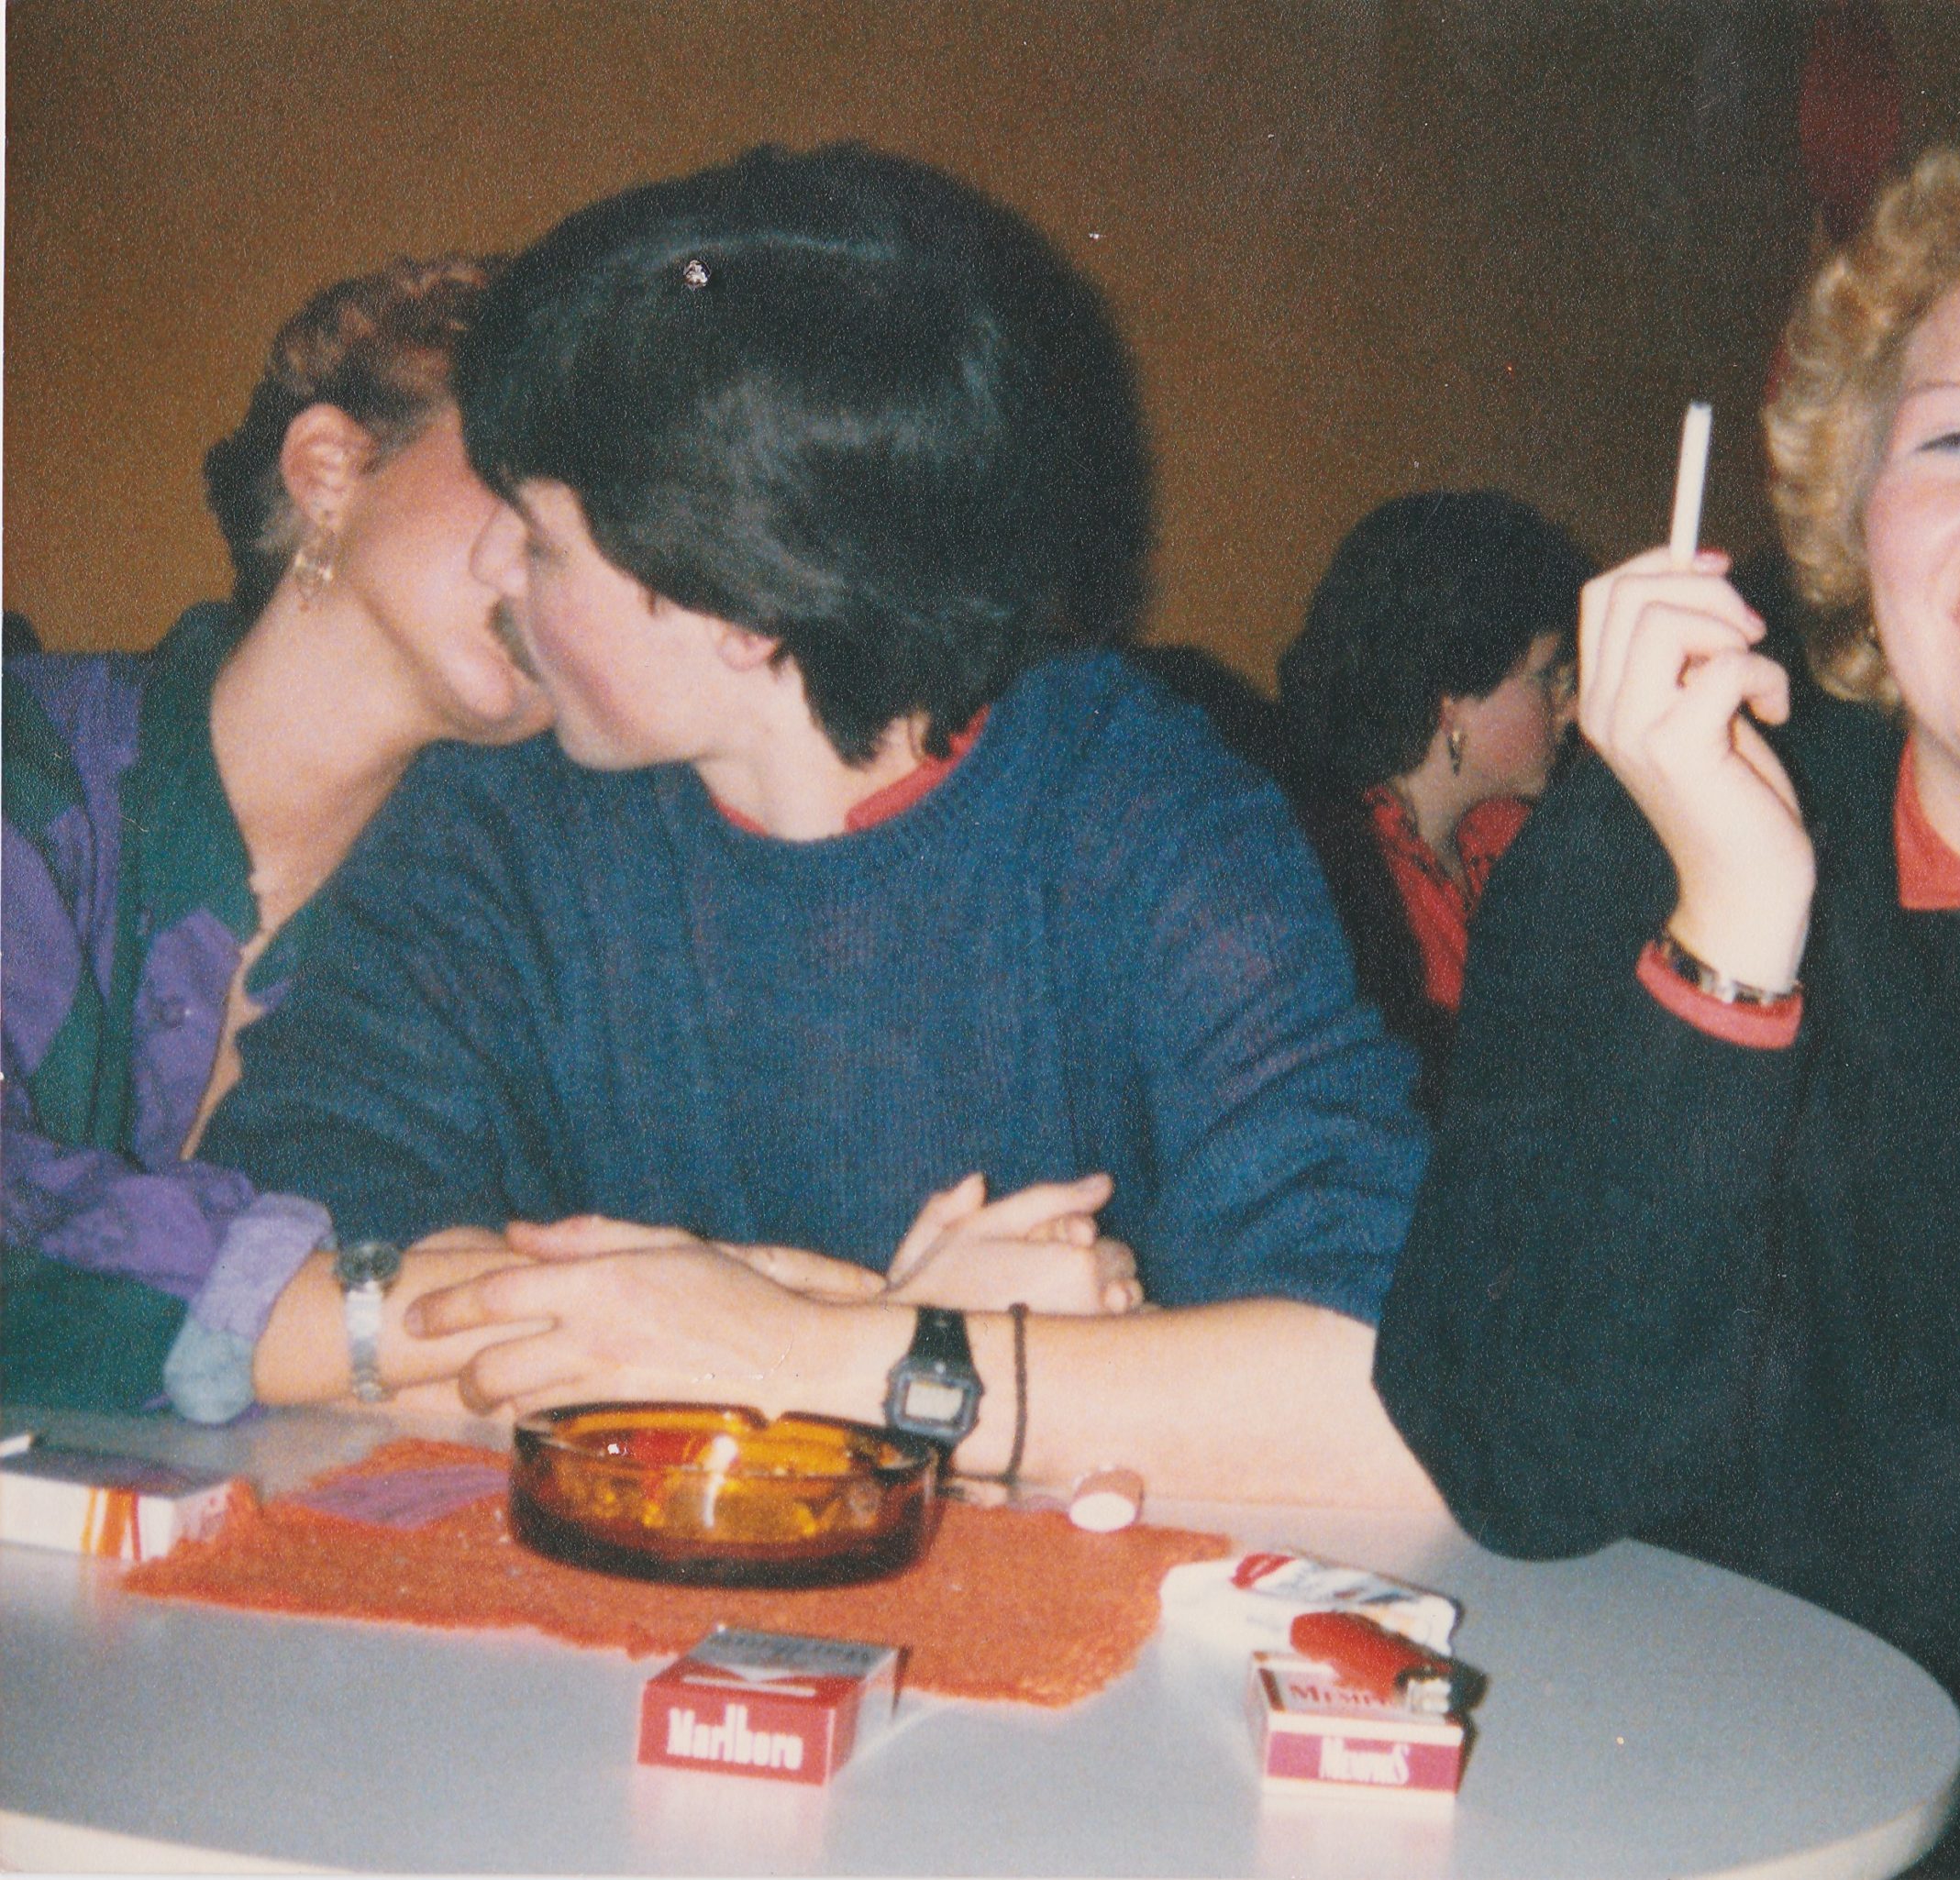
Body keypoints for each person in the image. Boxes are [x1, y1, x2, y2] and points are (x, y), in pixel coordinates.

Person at [1374, 92, 1960, 1869]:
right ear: (1856, 534)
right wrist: (1734, 925)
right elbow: (1523, 1469)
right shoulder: (1636, 852)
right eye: (1956, 440)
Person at [202, 144, 1440, 1508]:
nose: (494, 570)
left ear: (744, 606)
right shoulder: (497, 812)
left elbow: (1396, 1398)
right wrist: (882, 1349)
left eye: (542, 540)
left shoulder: (1144, 810)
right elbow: (274, 1258)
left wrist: (805, 1352)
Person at [3, 258, 554, 1420]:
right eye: (533, 476)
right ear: (329, 470)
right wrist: (374, 1322)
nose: (575, 557)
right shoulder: (26, 771)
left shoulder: (497, 904)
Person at [1276, 492, 1588, 1102]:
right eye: (1549, 678)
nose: (1572, 707)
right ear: (1449, 702)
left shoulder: (1512, 831)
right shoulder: (1351, 886)